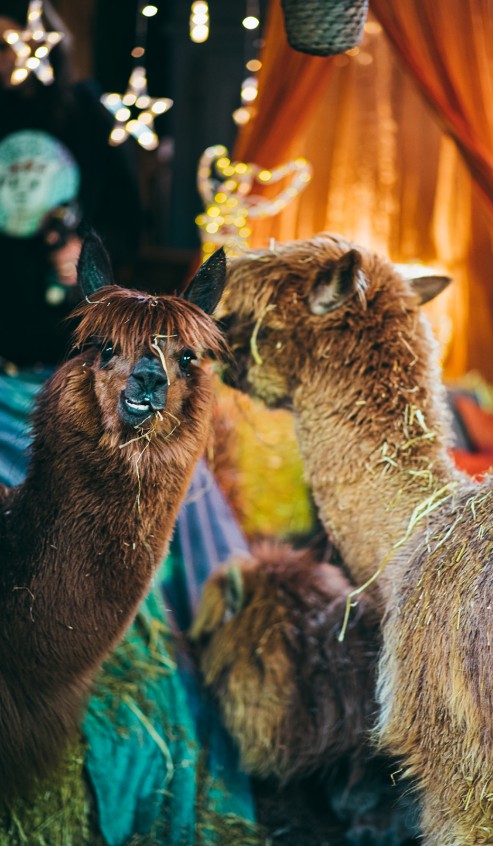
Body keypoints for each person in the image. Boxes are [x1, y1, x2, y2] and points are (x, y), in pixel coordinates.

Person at [0, 4, 259, 843]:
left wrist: (78, 250)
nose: (17, 49)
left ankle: (222, 694)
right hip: (10, 365)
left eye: (25, 32)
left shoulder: (85, 118)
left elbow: (125, 216)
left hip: (66, 357)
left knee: (192, 527)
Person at [0, 0, 141, 368]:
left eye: (6, 44)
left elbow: (128, 218)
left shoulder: (85, 114)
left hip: (65, 336)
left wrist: (88, 253)